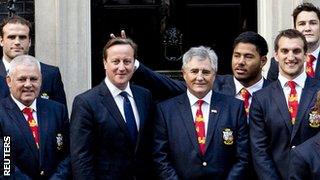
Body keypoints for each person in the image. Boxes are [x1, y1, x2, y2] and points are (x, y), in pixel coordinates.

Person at [153, 46, 249, 179]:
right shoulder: (165, 110)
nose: (200, 77)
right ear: (184, 73)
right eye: (194, 71)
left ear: (214, 75)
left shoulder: (234, 108)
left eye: (206, 72)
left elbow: (243, 157)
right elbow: (160, 157)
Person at [70, 38, 155, 179]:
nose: (121, 68)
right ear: (105, 63)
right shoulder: (86, 102)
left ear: (134, 64)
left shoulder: (144, 96)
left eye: (127, 61)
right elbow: (81, 158)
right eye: (115, 61)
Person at [131, 31, 270, 116]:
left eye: (248, 57)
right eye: (236, 55)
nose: (240, 62)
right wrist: (133, 63)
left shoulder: (275, 93)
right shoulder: (213, 84)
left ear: (263, 61)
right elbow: (167, 85)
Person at [250, 29, 320, 180]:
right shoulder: (261, 98)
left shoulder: (319, 91)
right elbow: (259, 150)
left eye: (296, 51)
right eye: (284, 51)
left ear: (306, 55)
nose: (290, 57)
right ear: (276, 55)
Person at [0, 55, 70, 179]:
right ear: (9, 81)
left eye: (33, 79)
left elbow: (68, 154)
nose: (28, 84)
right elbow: (4, 163)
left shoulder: (58, 111)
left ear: (41, 80)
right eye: (22, 79)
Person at [0, 15, 67, 105]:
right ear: (1, 41)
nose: (17, 42)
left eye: (22, 37)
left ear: (30, 41)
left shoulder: (50, 74)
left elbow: (60, 115)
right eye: (11, 37)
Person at [267, 2, 320, 81]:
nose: (307, 28)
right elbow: (270, 91)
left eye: (313, 23)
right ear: (295, 29)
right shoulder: (277, 62)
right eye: (302, 24)